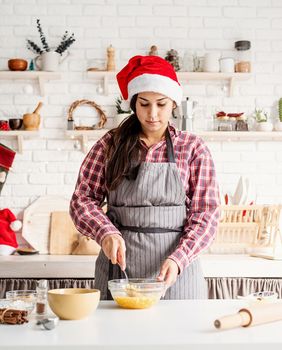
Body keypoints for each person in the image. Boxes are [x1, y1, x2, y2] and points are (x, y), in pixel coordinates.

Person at [70, 55, 220, 300]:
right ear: (134, 104)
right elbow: (82, 200)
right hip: (119, 272)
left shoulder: (193, 148)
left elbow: (207, 214)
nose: (152, 114)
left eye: (161, 104)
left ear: (173, 103)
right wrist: (105, 232)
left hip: (177, 275)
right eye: (144, 104)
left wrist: (179, 258)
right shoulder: (110, 144)